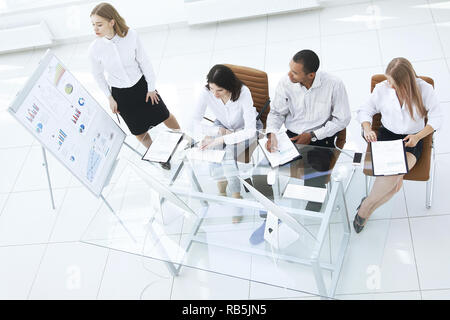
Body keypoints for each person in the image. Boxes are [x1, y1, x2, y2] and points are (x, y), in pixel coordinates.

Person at [249, 49, 351, 245]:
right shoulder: (286, 83)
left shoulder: (334, 85)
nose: (289, 75)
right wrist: (272, 133)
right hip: (292, 137)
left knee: (314, 182)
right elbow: (277, 113)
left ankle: (307, 221)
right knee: (259, 174)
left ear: (310, 75)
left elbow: (342, 119)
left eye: (295, 72)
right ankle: (272, 215)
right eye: (290, 69)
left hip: (320, 139)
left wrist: (313, 135)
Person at [88, 2, 180, 170]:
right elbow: (98, 75)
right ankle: (160, 156)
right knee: (139, 131)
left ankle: (184, 139)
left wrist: (151, 87)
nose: (95, 28)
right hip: (120, 95)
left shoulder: (131, 36)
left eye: (99, 24)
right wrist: (109, 98)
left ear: (112, 22)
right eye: (93, 24)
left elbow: (144, 62)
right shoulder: (95, 48)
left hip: (141, 86)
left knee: (165, 115)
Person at [355, 57, 442, 233]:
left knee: (395, 178)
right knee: (395, 183)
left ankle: (365, 207)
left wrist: (418, 136)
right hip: (387, 136)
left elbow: (437, 118)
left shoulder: (424, 90)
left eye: (394, 83)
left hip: (413, 139)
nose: (390, 86)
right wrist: (367, 128)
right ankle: (367, 208)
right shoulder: (383, 88)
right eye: (389, 81)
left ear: (407, 82)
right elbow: (365, 110)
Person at [189, 64, 262, 222]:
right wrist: (217, 133)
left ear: (229, 86)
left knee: (227, 154)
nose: (214, 94)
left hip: (245, 129)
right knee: (211, 149)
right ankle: (221, 188)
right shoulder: (207, 91)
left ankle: (236, 196)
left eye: (220, 90)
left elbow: (250, 130)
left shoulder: (243, 92)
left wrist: (222, 138)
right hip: (222, 127)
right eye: (211, 88)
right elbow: (194, 121)